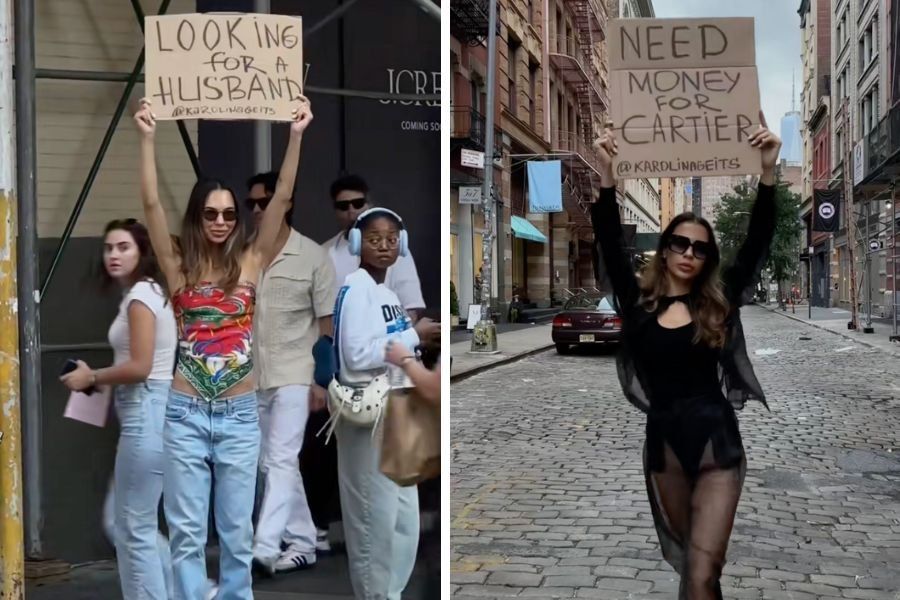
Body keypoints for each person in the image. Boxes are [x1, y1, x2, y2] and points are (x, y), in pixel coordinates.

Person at [591, 114, 781, 600]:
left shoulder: (717, 301)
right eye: (679, 242)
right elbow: (611, 244)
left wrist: (767, 172)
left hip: (718, 446)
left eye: (700, 247)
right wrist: (608, 177)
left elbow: (756, 244)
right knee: (696, 571)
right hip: (664, 450)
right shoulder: (638, 305)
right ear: (664, 249)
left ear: (707, 258)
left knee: (700, 571)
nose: (688, 253)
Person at [133, 96, 312, 600]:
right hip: (185, 412)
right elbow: (150, 205)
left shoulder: (252, 260)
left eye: (229, 213)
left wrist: (295, 135)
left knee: (236, 536)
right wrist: (147, 138)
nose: (221, 221)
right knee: (187, 536)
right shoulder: (178, 266)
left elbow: (280, 199)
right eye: (211, 213)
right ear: (198, 216)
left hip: (237, 415)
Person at [61, 219, 177, 600]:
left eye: (124, 247)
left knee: (132, 526)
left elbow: (141, 366)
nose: (113, 254)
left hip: (146, 410)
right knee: (127, 521)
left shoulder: (142, 297)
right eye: (109, 247)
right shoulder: (144, 294)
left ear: (142, 251)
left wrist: (92, 377)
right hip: (145, 411)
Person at [330, 207, 440, 599]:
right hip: (369, 417)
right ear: (358, 243)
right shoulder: (356, 287)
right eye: (374, 238)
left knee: (402, 522)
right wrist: (414, 335)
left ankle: (390, 593)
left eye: (392, 239)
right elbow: (357, 355)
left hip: (395, 412)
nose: (383, 246)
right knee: (373, 524)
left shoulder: (387, 292)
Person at [244, 170, 336, 575]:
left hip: (297, 374)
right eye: (252, 203)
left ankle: (264, 544)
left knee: (280, 458)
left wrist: (320, 380)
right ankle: (302, 540)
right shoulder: (246, 255)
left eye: (264, 202)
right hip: (253, 376)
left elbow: (326, 327)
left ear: (285, 203)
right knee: (270, 462)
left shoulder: (313, 256)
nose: (257, 209)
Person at [324, 174, 425, 320]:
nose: (351, 211)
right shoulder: (325, 253)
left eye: (358, 203)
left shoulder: (394, 248)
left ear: (369, 205)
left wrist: (404, 335)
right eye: (343, 206)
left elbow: (412, 305)